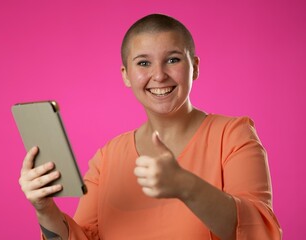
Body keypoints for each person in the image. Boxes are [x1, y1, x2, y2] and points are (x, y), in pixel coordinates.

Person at [19, 14, 282, 239]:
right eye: (144, 63)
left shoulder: (233, 135)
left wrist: (185, 186)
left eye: (173, 60)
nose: (159, 75)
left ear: (196, 67)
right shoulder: (107, 158)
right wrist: (44, 208)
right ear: (126, 75)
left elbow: (259, 231)